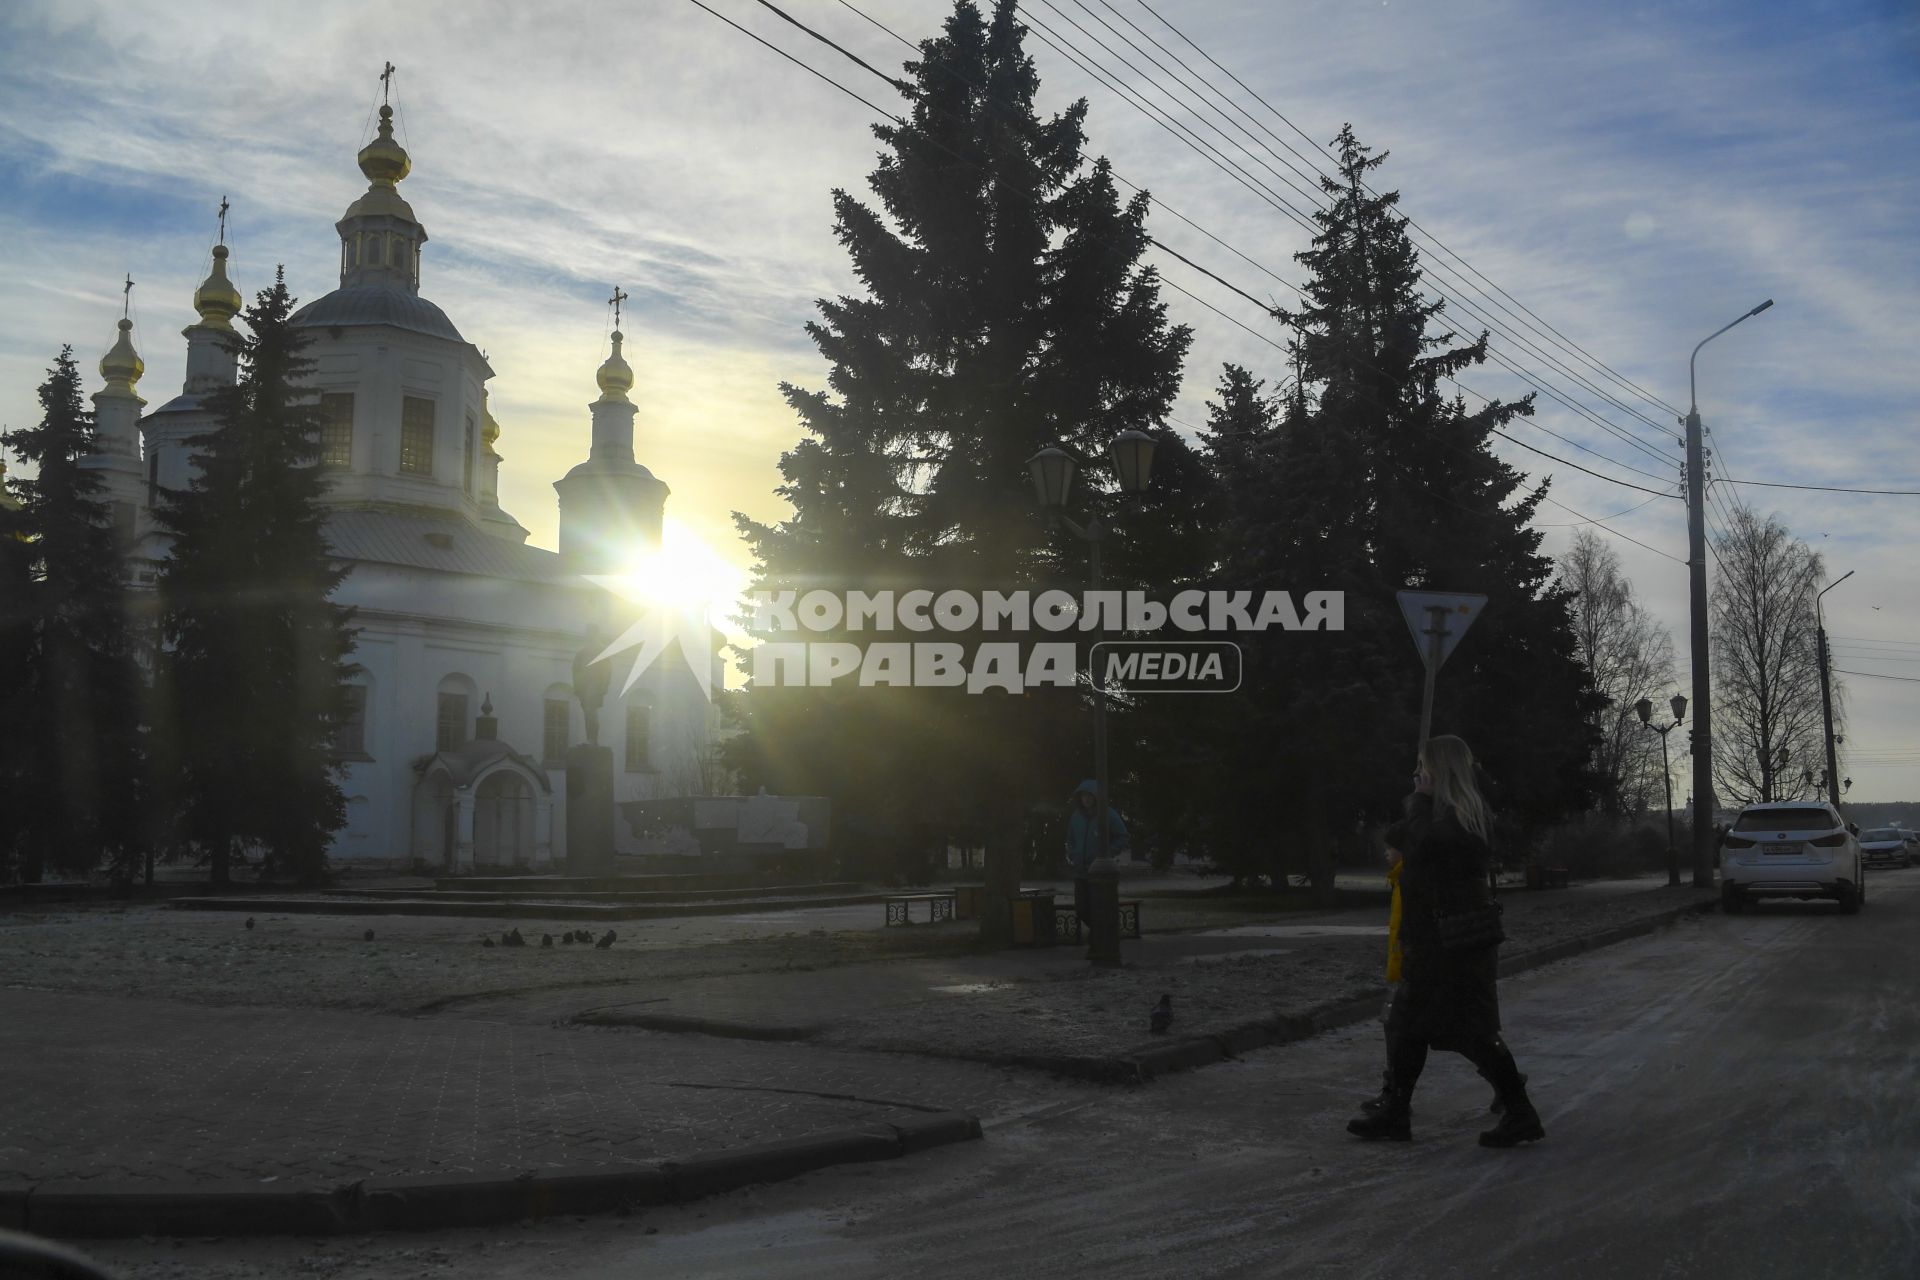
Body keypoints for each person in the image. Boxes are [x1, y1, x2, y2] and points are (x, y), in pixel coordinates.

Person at [1347, 735, 1545, 1147]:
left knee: (1467, 1031)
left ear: (1441, 771)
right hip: (1437, 941)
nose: (1416, 775)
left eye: (1423, 768)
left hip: (1453, 945)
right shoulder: (1444, 815)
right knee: (1410, 1026)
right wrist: (1417, 806)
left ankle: (1519, 1112)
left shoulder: (1461, 818)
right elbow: (1401, 838)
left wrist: (1418, 803)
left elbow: (1418, 848)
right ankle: (1396, 1112)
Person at [1064, 780, 1129, 926]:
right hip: (1080, 872)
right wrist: (1072, 853)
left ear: (1096, 797)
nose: (1086, 799)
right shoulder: (1076, 817)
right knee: (1081, 909)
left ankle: (1099, 938)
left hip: (1099, 873)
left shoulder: (1108, 814)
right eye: (1084, 796)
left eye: (1090, 795)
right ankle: (1099, 933)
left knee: (1099, 908)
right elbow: (1070, 838)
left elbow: (1122, 836)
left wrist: (1107, 853)